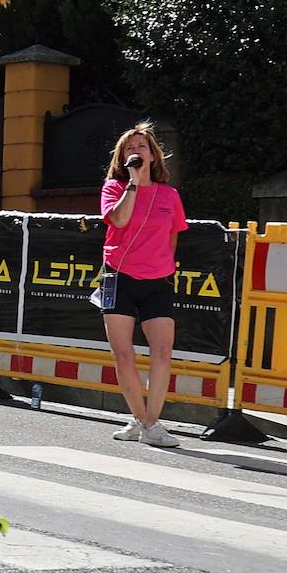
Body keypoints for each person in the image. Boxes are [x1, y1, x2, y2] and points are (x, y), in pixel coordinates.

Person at [98, 122, 188, 448]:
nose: (136, 152)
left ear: (153, 155)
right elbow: (119, 220)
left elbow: (173, 235)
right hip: (119, 276)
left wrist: (162, 266)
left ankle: (149, 422)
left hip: (157, 280)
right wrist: (132, 186)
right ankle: (145, 421)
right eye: (129, 148)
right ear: (122, 158)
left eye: (142, 147)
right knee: (123, 355)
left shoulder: (170, 195)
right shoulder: (113, 188)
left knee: (162, 352)